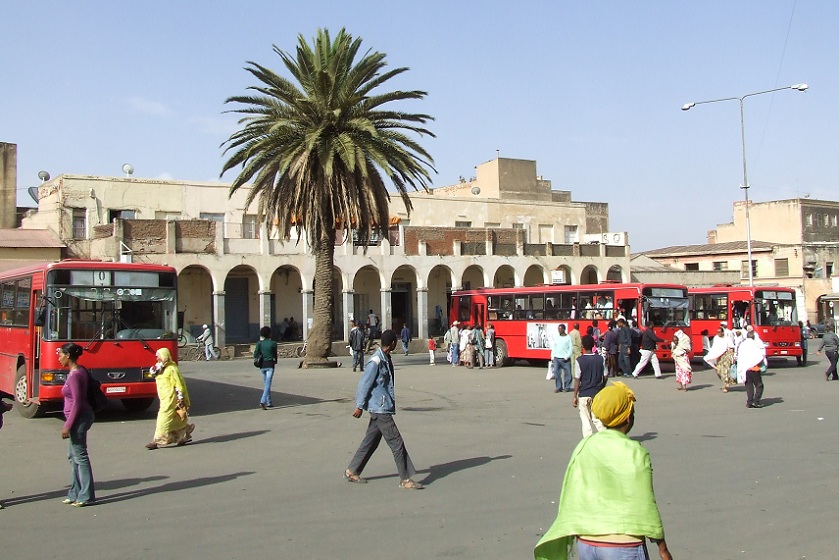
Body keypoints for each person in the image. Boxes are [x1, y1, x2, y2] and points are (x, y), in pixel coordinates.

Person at [535, 381, 673, 560]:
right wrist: (662, 548)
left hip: (586, 542)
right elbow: (645, 502)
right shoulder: (635, 452)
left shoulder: (585, 445)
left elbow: (573, 492)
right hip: (622, 544)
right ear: (628, 417)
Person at [345, 329, 423, 489]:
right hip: (380, 409)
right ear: (393, 343)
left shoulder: (385, 357)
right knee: (396, 442)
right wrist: (359, 406)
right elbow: (364, 384)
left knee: (371, 441)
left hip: (380, 407)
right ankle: (405, 479)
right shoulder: (376, 361)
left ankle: (352, 470)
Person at [58, 343, 96, 507]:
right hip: (80, 417)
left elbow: (78, 403)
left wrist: (68, 425)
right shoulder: (79, 371)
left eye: (60, 354)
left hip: (79, 418)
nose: (58, 358)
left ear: (68, 355)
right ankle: (75, 492)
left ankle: (86, 495)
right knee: (73, 456)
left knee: (80, 456)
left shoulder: (75, 376)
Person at [146, 348, 195, 449]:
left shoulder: (172, 368)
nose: (157, 357)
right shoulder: (160, 368)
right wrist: (162, 364)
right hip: (164, 398)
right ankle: (183, 436)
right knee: (176, 419)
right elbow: (152, 372)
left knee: (163, 419)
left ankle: (155, 441)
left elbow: (179, 384)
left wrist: (181, 398)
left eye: (159, 356)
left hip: (171, 399)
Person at [572, 335, 606, 438]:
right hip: (597, 393)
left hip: (584, 394)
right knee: (597, 418)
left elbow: (577, 379)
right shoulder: (601, 359)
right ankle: (606, 436)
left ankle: (588, 440)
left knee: (585, 419)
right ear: (593, 345)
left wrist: (575, 396)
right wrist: (602, 386)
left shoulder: (579, 360)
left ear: (582, 346)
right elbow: (605, 375)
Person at [736, 331, 766, 408]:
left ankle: (749, 402)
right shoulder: (755, 344)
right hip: (754, 368)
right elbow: (760, 355)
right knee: (759, 385)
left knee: (749, 386)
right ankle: (756, 401)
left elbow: (739, 356)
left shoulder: (742, 344)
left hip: (745, 369)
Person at [704, 324, 735, 392]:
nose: (718, 333)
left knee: (725, 371)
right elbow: (715, 348)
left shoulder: (727, 338)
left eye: (719, 332)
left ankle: (725, 386)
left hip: (726, 356)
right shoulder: (716, 338)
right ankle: (726, 382)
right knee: (719, 371)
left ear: (723, 332)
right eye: (717, 332)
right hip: (718, 357)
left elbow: (731, 347)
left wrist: (732, 357)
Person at [254, 326, 278, 410]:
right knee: (268, 384)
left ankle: (269, 402)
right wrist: (275, 361)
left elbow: (255, 354)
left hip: (262, 366)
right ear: (269, 334)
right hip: (270, 365)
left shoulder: (259, 343)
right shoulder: (273, 343)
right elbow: (275, 355)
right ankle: (262, 401)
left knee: (266, 384)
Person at [551, 324, 573, 393]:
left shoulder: (568, 338)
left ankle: (567, 387)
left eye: (560, 329)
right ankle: (558, 387)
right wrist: (552, 356)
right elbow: (554, 347)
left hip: (565, 359)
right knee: (556, 373)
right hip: (557, 358)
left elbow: (571, 348)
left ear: (563, 329)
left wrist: (567, 356)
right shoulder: (557, 337)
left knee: (568, 374)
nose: (558, 330)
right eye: (558, 329)